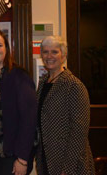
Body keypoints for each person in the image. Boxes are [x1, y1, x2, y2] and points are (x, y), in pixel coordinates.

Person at [0, 30, 37, 175]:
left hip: (10, 156)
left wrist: (22, 159)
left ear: (7, 49)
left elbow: (29, 120)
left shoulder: (19, 76)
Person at [36, 36, 95, 175]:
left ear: (63, 55)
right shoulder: (43, 83)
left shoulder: (75, 86)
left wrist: (67, 169)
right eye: (45, 52)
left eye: (54, 52)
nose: (49, 56)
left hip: (70, 164)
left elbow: (79, 133)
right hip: (46, 158)